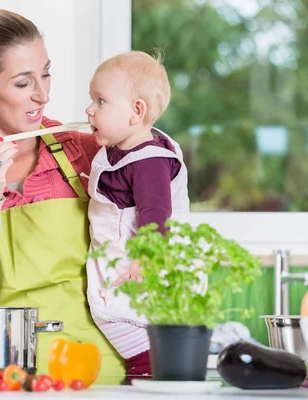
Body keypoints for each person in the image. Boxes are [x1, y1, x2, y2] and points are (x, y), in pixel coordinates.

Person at [0, 10, 126, 383]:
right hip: (6, 378)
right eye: (23, 83)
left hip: (104, 372)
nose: (44, 94)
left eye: (45, 73)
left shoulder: (84, 153)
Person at [84, 51, 190, 377]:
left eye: (100, 102)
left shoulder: (149, 160)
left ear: (136, 111)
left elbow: (156, 212)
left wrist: (147, 257)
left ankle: (145, 375)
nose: (89, 109)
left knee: (122, 318)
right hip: (119, 259)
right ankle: (145, 372)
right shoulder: (121, 150)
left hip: (137, 266)